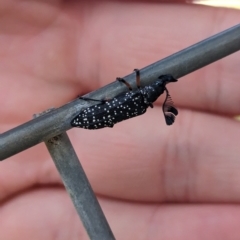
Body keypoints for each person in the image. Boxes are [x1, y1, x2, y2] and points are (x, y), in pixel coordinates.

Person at [0, 1, 239, 239]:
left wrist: (133, 84)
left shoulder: (138, 100)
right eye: (158, 86)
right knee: (107, 108)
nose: (158, 86)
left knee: (107, 107)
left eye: (158, 87)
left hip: (95, 114)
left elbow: (128, 87)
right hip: (95, 114)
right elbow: (129, 88)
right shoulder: (141, 103)